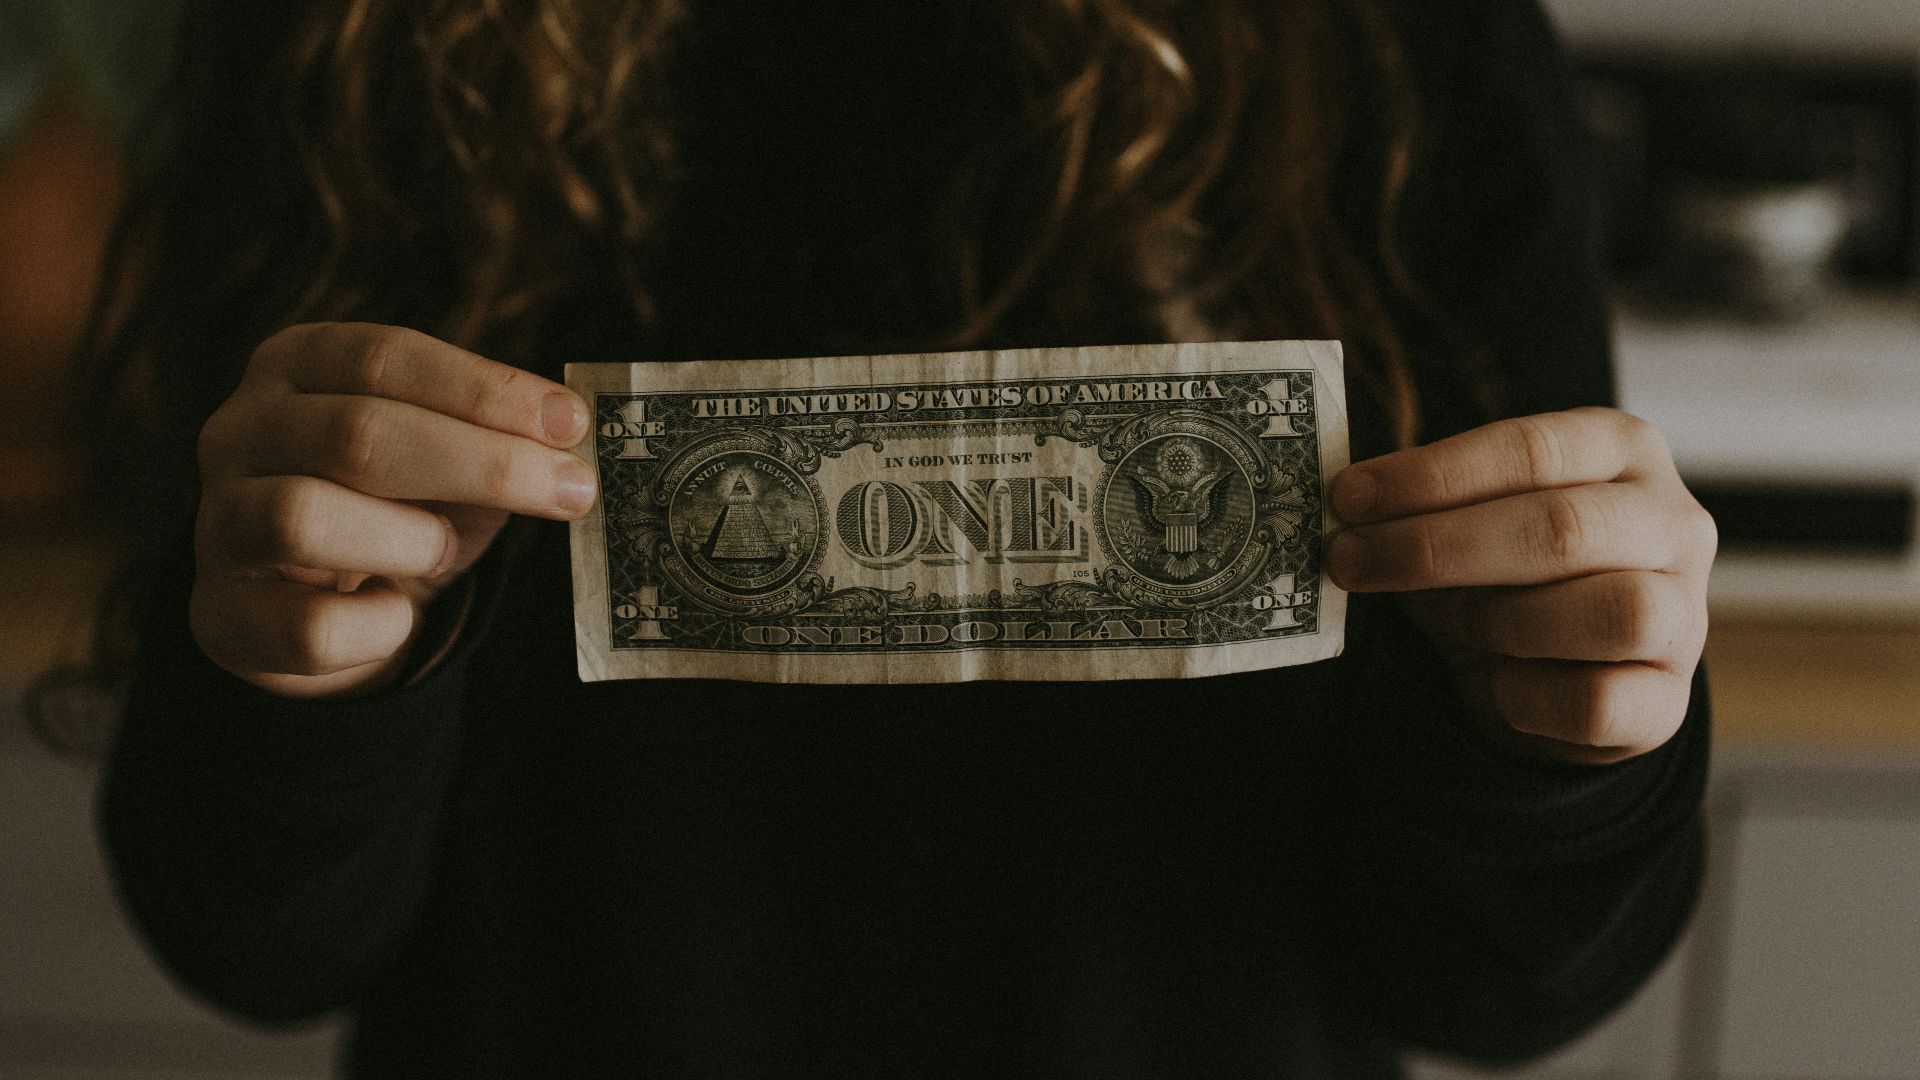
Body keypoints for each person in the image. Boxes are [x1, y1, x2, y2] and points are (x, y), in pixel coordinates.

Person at [92, 0, 1714, 1076]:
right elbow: (253, 939)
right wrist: (290, 672)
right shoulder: (352, 32)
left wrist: (1570, 738)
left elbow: (1501, 985)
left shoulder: (1398, 39)